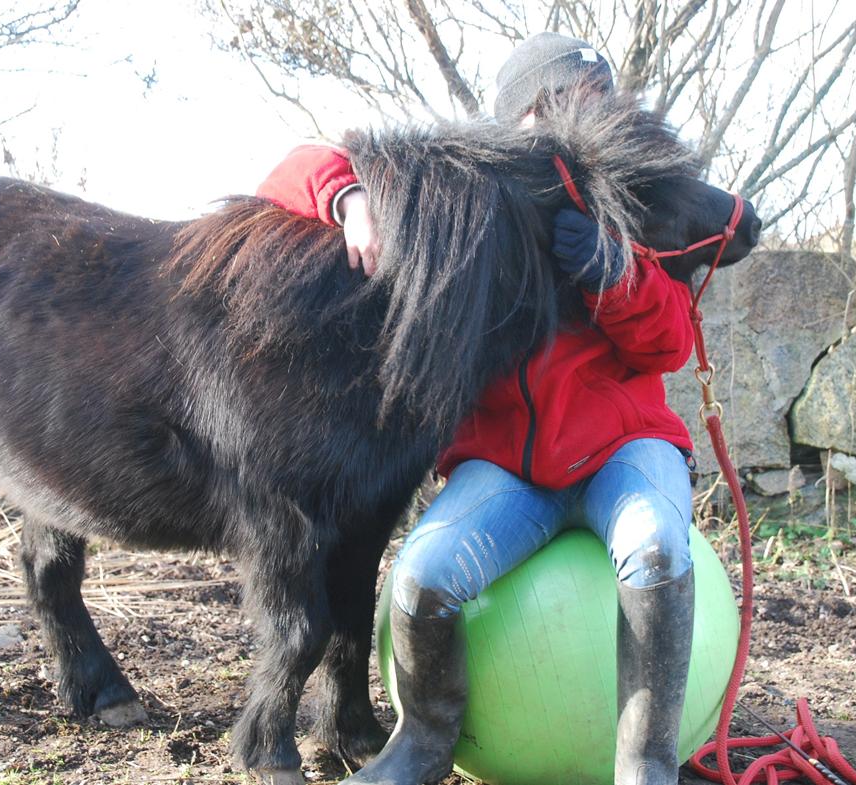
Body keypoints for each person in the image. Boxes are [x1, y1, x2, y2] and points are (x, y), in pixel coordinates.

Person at [257, 32, 697, 785]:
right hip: (507, 467)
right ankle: (422, 741)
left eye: (596, 103)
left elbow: (670, 343)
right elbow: (289, 170)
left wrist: (611, 272)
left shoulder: (625, 197)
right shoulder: (469, 190)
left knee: (656, 543)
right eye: (567, 105)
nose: (589, 122)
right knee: (422, 575)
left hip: (625, 451)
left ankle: (646, 766)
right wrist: (350, 197)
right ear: (522, 119)